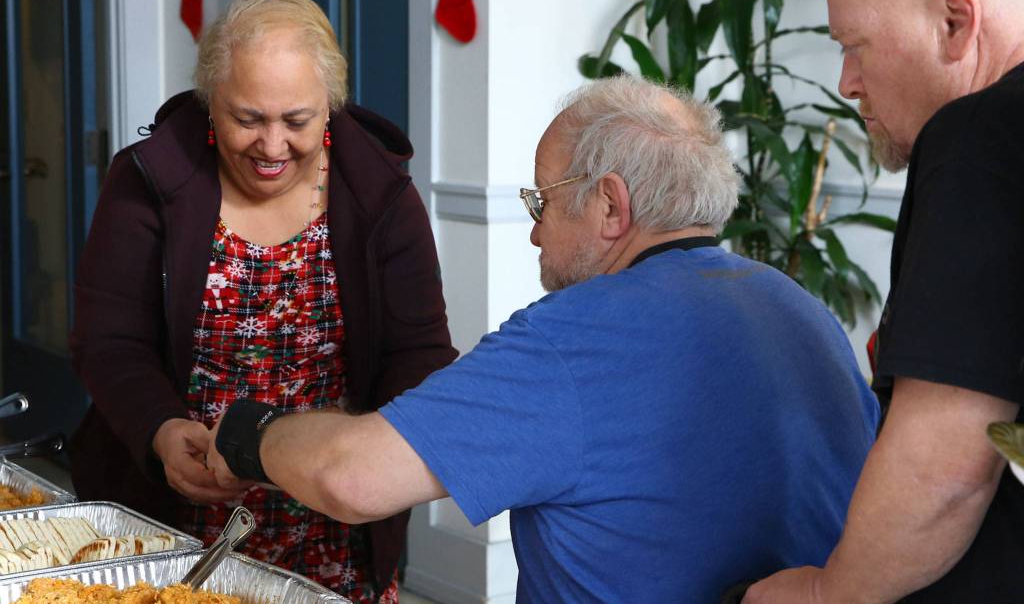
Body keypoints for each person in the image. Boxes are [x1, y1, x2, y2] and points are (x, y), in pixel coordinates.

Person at [207, 76, 880, 603]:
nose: (534, 232)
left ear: (611, 206)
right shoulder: (803, 309)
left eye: (544, 203)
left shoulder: (575, 337)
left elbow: (349, 477)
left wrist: (245, 432)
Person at [68, 0, 457, 602]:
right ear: (209, 104)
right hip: (173, 512)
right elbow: (109, 342)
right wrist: (163, 431)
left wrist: (358, 463)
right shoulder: (147, 180)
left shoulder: (381, 195)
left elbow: (420, 356)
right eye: (247, 119)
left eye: (297, 121)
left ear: (330, 106)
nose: (272, 147)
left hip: (331, 523)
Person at [744, 0, 1024, 602]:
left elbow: (947, 469)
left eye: (854, 46)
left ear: (955, 21)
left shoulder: (979, 137)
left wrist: (823, 593)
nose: (847, 82)